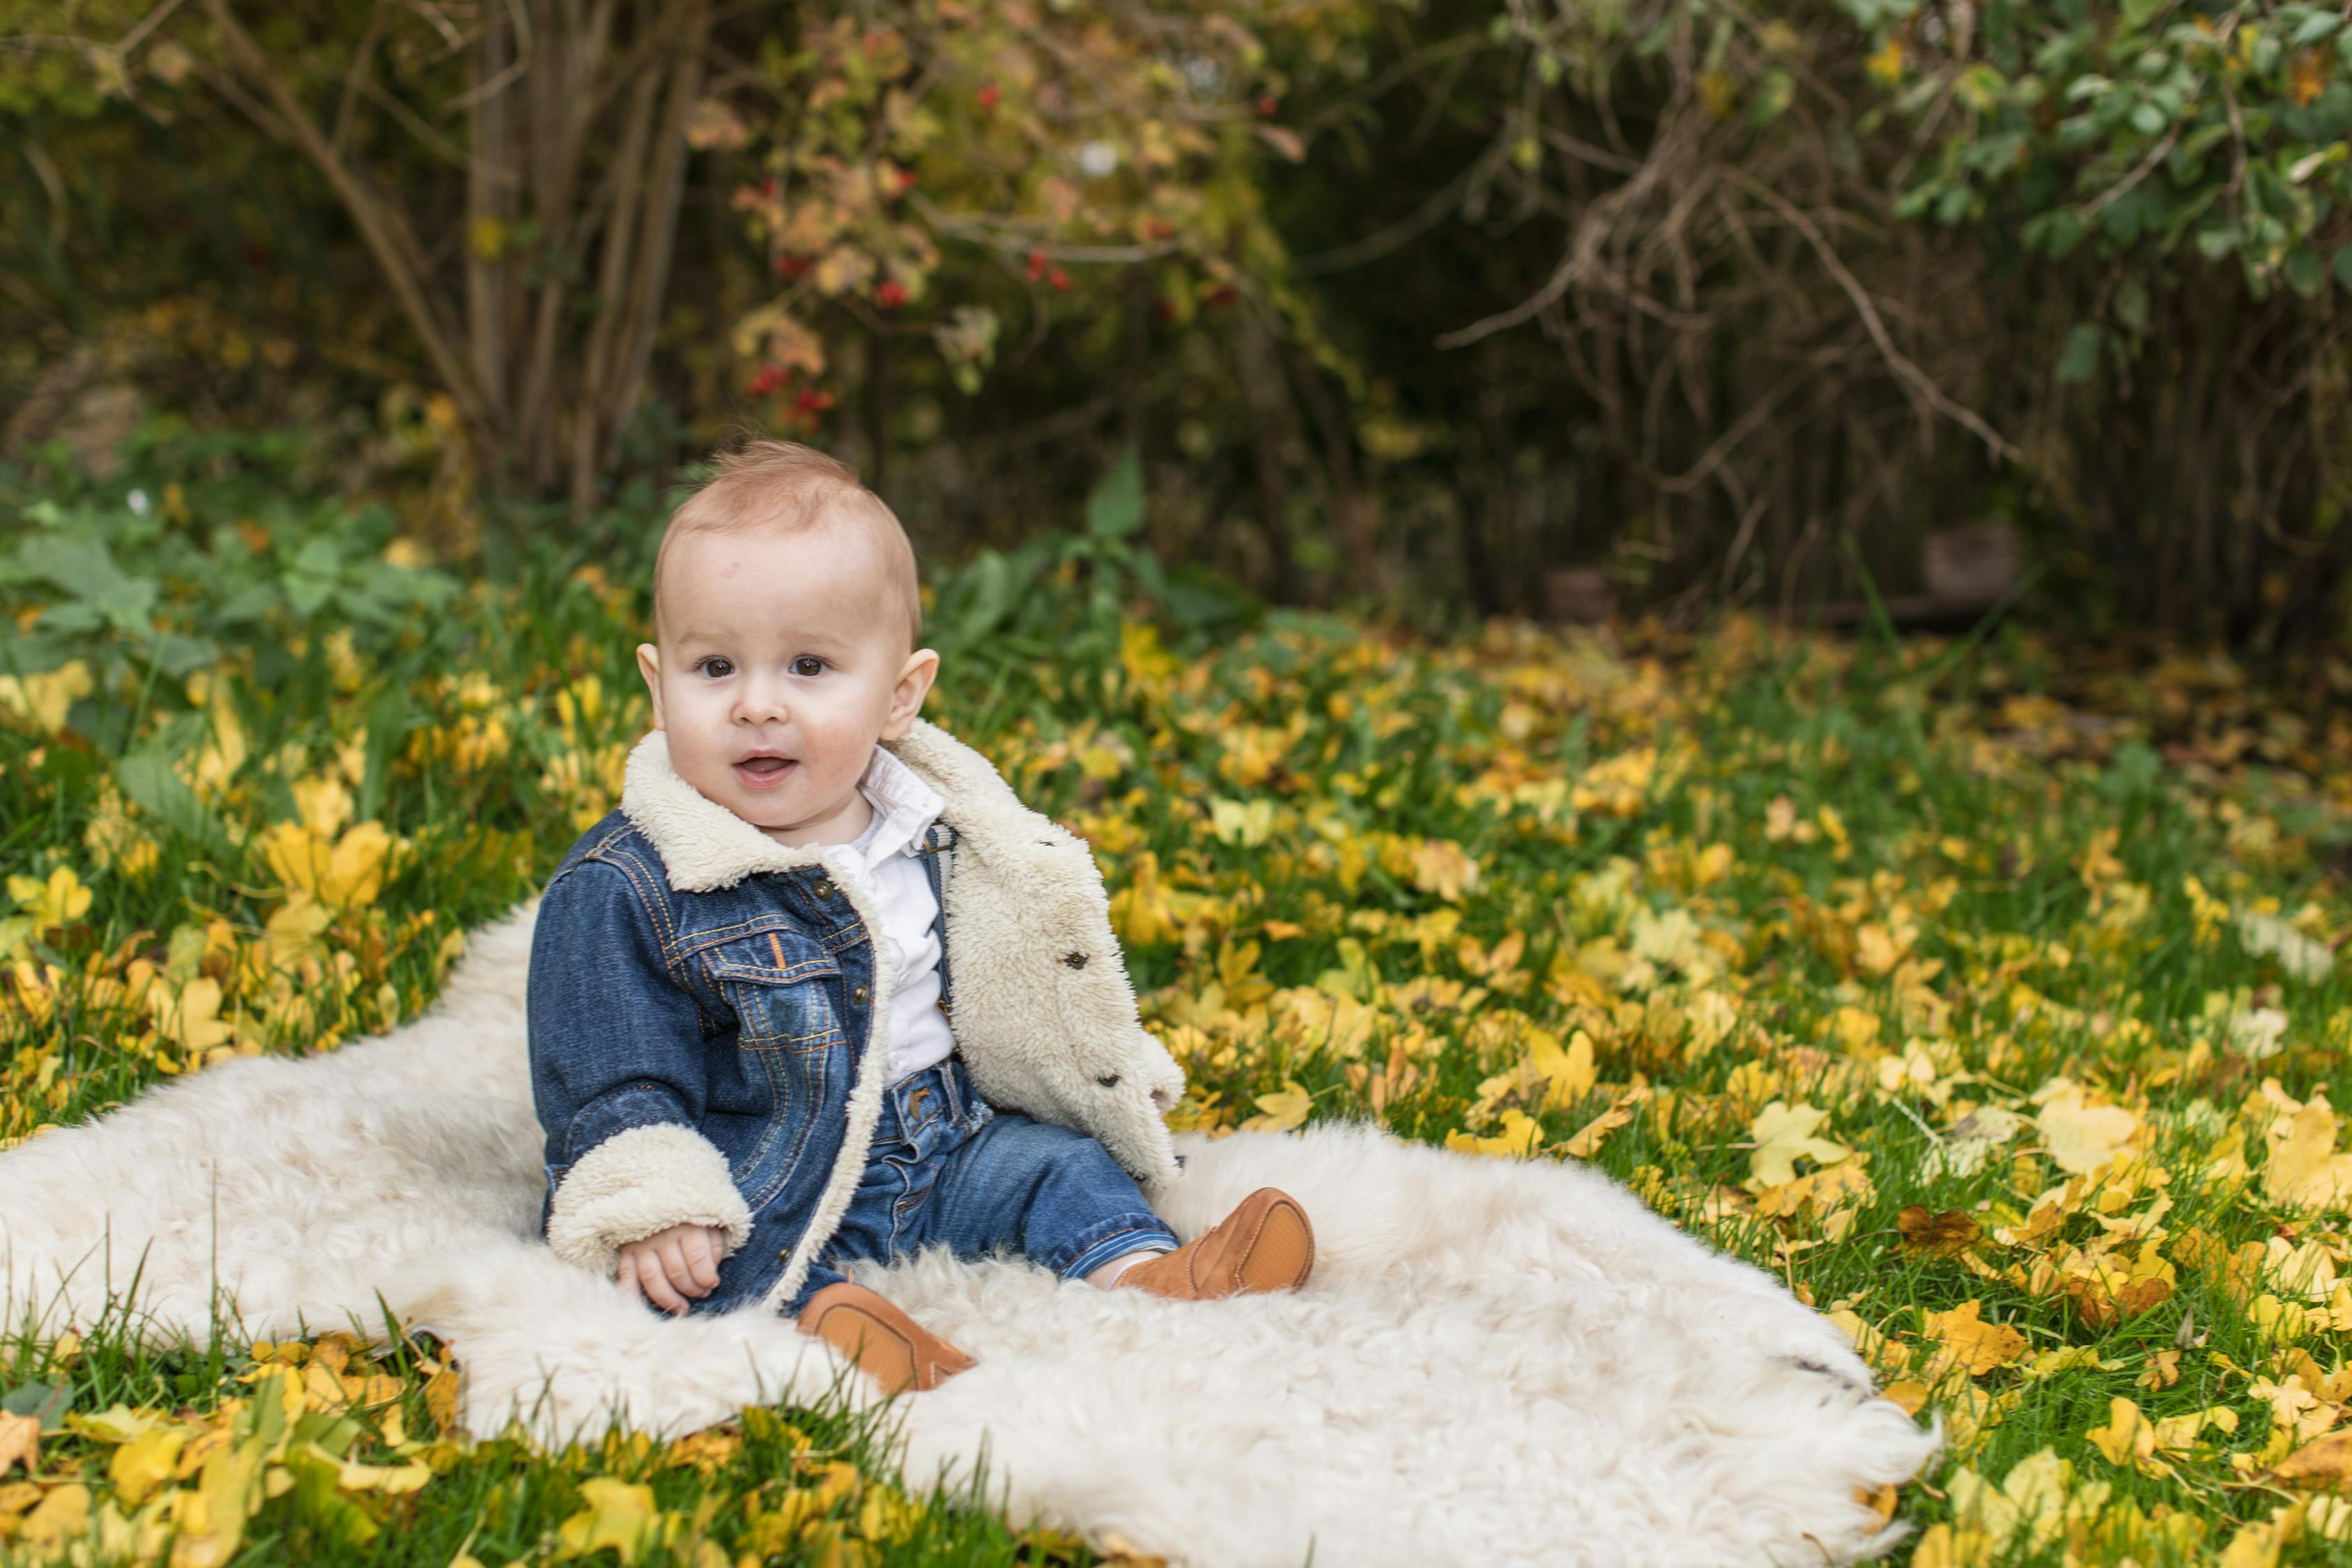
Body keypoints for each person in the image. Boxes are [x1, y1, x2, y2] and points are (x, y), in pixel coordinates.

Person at [525, 440, 1314, 1394]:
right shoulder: (631, 880)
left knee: (1057, 1170)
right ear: (659, 684)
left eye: (809, 665)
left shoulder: (948, 828)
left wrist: (1092, 1064)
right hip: (769, 1171)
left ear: (899, 694)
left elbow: (1013, 973)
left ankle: (1146, 1269)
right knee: (692, 1270)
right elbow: (613, 1076)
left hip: (945, 1141)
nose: (757, 705)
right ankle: (836, 1332)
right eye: (716, 666)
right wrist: (654, 1198)